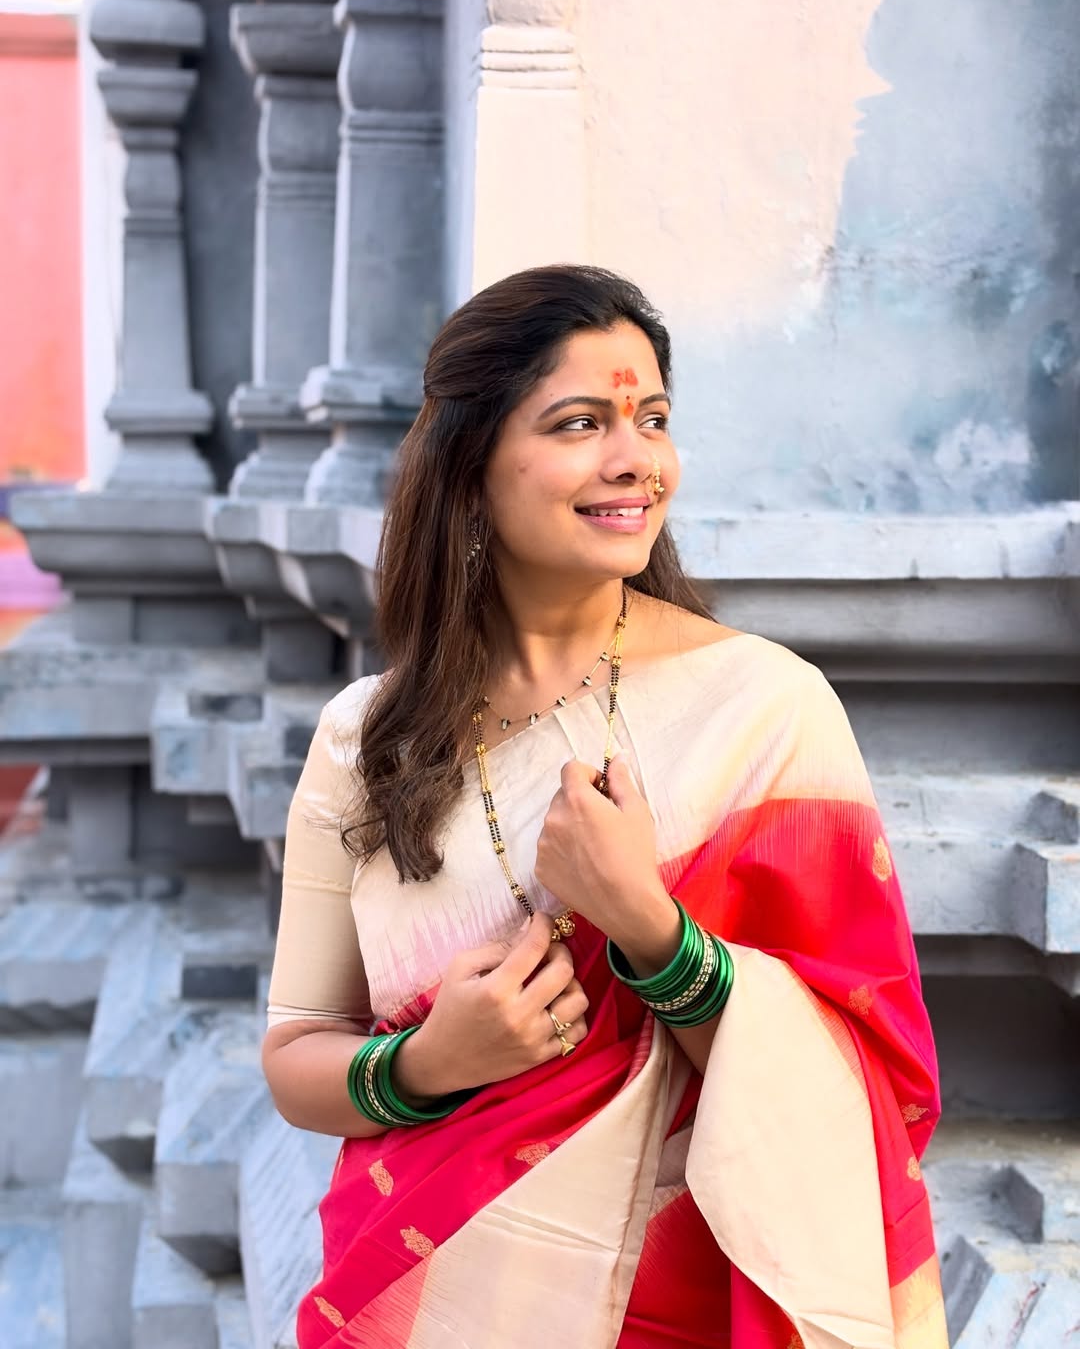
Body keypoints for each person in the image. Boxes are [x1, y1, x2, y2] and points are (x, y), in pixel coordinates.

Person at [262, 265, 948, 1348]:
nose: (637, 459)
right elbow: (299, 1053)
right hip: (428, 1298)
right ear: (469, 464)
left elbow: (874, 1072)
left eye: (654, 420)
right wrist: (431, 1064)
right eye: (581, 423)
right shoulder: (366, 738)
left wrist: (652, 931)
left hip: (685, 1306)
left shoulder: (765, 710)